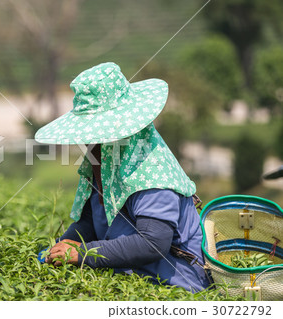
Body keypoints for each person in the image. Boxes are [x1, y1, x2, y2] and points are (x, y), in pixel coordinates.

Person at [34, 62, 210, 292]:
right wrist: (64, 245)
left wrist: (83, 253)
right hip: (131, 275)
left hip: (174, 286)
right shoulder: (103, 163)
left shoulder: (152, 171)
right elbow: (90, 220)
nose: (88, 143)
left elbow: (152, 243)